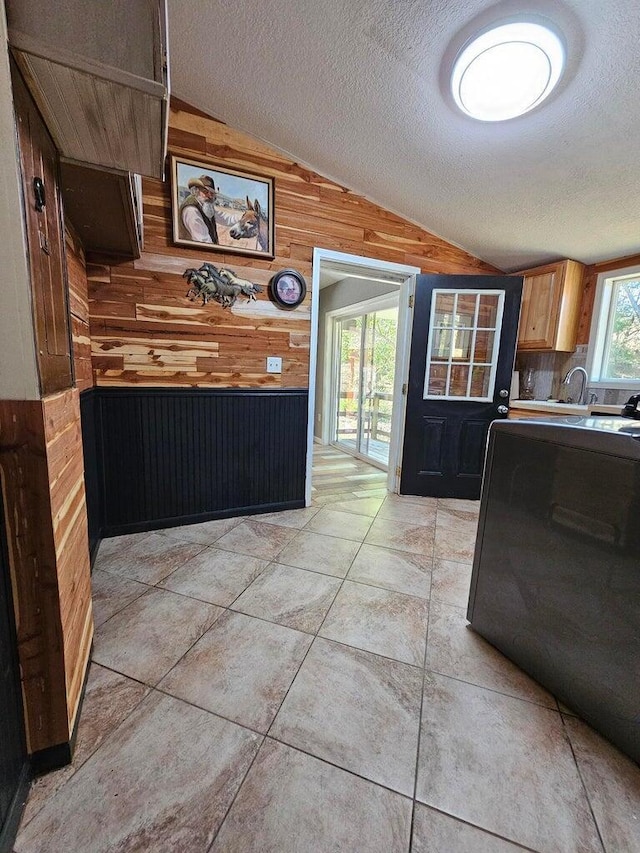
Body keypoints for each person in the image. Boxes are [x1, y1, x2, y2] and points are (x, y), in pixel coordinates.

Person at [178, 175, 219, 243]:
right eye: (205, 192)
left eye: (211, 193)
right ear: (197, 191)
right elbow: (203, 241)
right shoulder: (191, 210)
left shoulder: (205, 206)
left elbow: (223, 217)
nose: (209, 196)